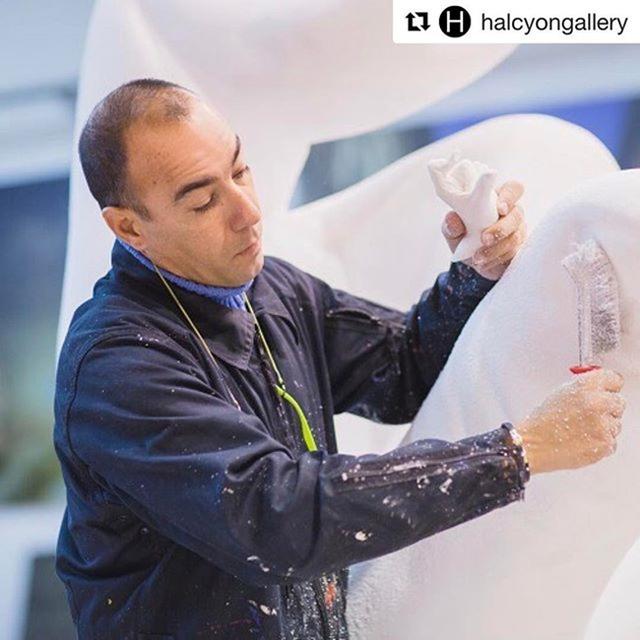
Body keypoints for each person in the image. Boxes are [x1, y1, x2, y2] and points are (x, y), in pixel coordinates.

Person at [53, 79, 625, 640]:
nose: (247, 211)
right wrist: (518, 453)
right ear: (129, 227)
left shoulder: (271, 291)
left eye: (240, 170)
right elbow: (275, 515)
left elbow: (401, 369)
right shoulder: (116, 366)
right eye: (204, 201)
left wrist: (476, 274)